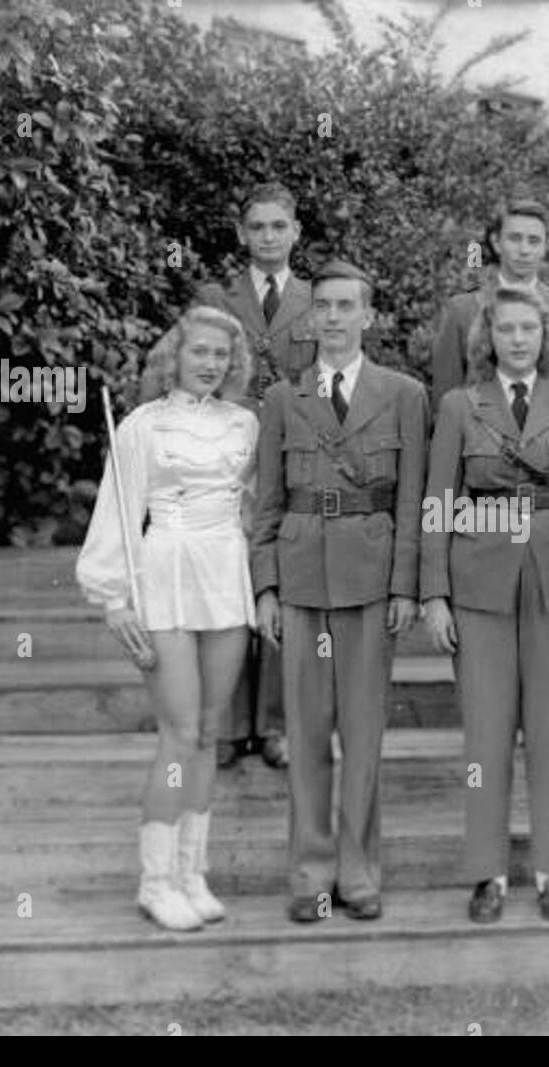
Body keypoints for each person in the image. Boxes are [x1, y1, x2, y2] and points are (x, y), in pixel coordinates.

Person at [421, 287, 549, 924]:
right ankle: (490, 874)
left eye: (529, 328)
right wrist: (434, 594)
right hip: (479, 578)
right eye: (505, 329)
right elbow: (438, 503)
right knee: (486, 731)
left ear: (548, 337)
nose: (518, 339)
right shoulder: (458, 406)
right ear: (487, 338)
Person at [252, 260, 429, 924]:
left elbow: (412, 501)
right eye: (321, 306)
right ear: (310, 316)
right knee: (306, 731)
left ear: (368, 315)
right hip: (300, 581)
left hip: (370, 579)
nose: (331, 317)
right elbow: (266, 503)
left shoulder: (404, 393)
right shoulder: (281, 399)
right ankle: (310, 872)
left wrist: (407, 584)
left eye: (345, 305)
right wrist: (265, 586)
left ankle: (358, 870)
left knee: (363, 734)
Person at [76, 305, 258, 931]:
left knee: (211, 731)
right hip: (166, 574)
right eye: (199, 351)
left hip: (225, 574)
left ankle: (191, 873)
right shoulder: (141, 427)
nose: (210, 363)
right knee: (178, 733)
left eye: (221, 355)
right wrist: (114, 599)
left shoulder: (245, 425)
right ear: (174, 357)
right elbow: (118, 514)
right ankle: (155, 882)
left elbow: (256, 509)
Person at [195, 182, 317, 771]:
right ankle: (225, 723)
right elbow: (198, 370)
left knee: (283, 583)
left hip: (292, 459)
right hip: (227, 457)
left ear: (296, 233)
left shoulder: (319, 300)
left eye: (279, 226)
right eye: (258, 227)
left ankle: (275, 723)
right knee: (226, 584)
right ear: (241, 234)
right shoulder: (216, 296)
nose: (269, 237)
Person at [429, 199, 549, 408]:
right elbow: (444, 400)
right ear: (496, 242)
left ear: (546, 247)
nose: (524, 250)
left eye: (534, 241)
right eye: (514, 239)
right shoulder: (461, 310)